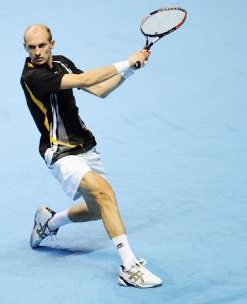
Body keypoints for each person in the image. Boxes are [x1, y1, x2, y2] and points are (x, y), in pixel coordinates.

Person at [20, 24, 162, 288]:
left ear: (53, 44)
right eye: (31, 47)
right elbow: (84, 81)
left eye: (42, 45)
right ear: (25, 49)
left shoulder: (61, 63)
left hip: (85, 145)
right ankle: (129, 267)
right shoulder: (32, 77)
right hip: (60, 151)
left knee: (98, 209)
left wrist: (131, 69)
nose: (37, 52)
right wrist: (125, 61)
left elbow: (99, 89)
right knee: (105, 193)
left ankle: (49, 222)